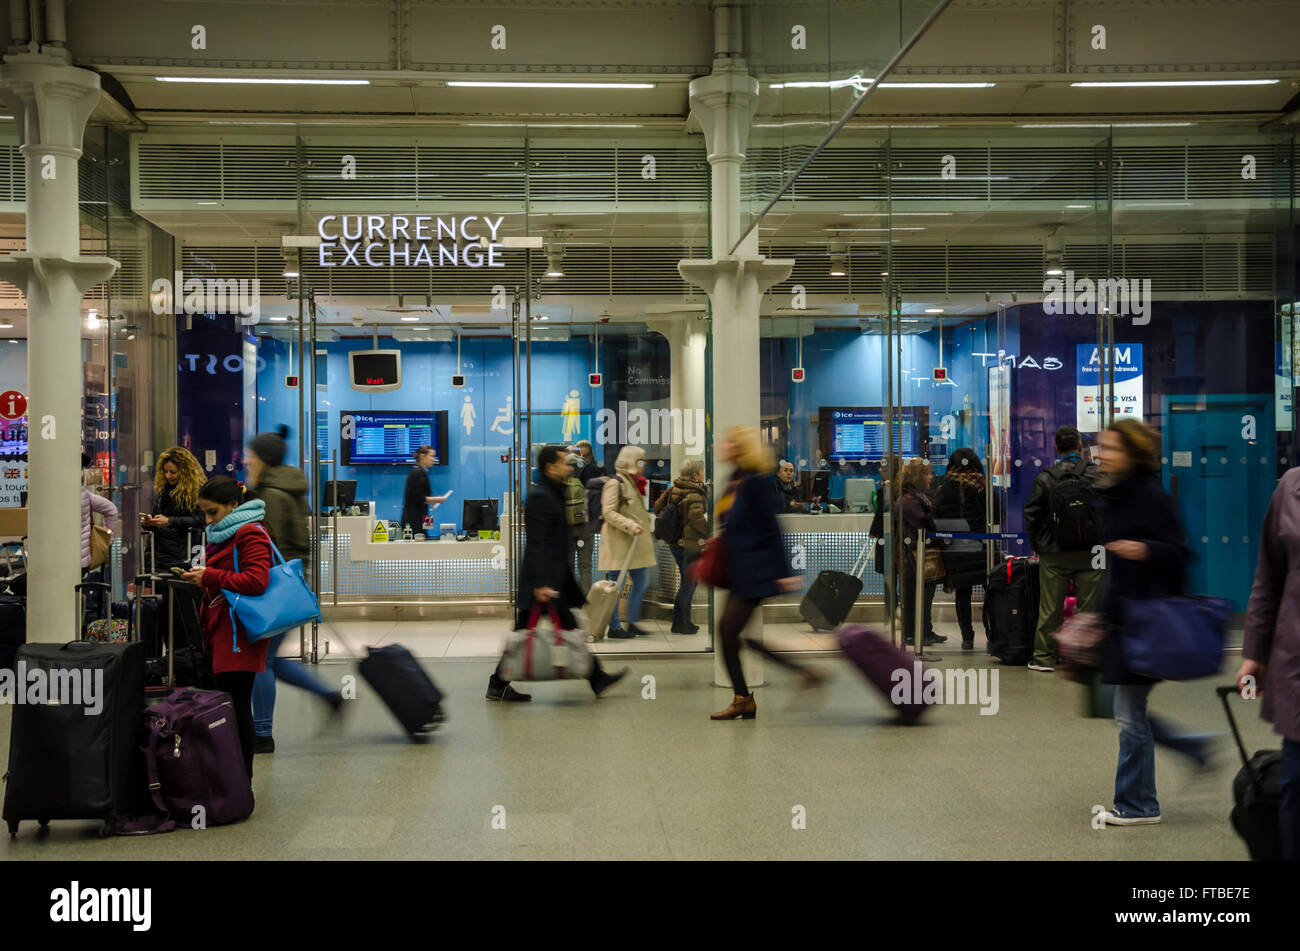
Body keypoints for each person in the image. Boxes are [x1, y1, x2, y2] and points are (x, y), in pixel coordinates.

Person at [1096, 419, 1214, 826]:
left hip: (1147, 620)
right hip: (1126, 618)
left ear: (1131, 453)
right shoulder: (1115, 496)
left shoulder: (1150, 497)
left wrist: (1143, 549)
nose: (1103, 455)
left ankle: (1138, 804)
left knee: (1128, 716)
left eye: (1111, 448)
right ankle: (1192, 748)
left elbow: (1180, 553)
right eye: (1102, 447)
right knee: (1126, 712)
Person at [485, 445, 627, 702]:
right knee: (529, 632)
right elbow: (538, 542)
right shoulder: (541, 497)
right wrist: (541, 584)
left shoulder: (553, 493)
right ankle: (498, 683)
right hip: (544, 581)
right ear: (550, 467)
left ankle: (596, 678)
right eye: (565, 463)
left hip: (552, 578)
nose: (570, 467)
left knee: (552, 631)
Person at [710, 426, 826, 721]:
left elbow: (771, 528)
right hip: (740, 570)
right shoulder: (734, 480)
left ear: (742, 448)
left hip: (756, 571)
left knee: (727, 632)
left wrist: (784, 571)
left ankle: (746, 697)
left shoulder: (754, 482)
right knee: (733, 634)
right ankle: (785, 681)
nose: (723, 445)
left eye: (731, 442)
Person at [245, 427, 342, 754]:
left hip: (272, 586)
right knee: (270, 658)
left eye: (251, 455)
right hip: (287, 585)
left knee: (262, 660)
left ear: (262, 459)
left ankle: (262, 733)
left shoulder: (270, 494)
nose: (246, 460)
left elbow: (267, 545)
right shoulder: (288, 487)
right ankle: (329, 696)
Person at [180, 477, 271, 780]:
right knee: (231, 703)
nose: (207, 520)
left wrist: (209, 577)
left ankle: (241, 780)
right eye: (204, 512)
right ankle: (233, 778)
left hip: (239, 633)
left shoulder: (250, 533)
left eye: (212, 512)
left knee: (237, 705)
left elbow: (257, 581)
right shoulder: (225, 533)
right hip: (223, 629)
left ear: (234, 505)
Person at [1238, 468, 1300, 860]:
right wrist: (1254, 653)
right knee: (1297, 794)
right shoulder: (1291, 488)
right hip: (1296, 669)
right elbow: (1269, 578)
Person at [1023, 425, 1106, 672]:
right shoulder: (1097, 475)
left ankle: (1043, 658)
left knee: (1050, 608)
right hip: (1093, 552)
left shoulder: (1046, 477)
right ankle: (1083, 659)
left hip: (1055, 553)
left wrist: (1040, 546)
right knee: (1089, 609)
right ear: (1081, 447)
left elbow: (1032, 515)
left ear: (1056, 448)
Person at [598, 445, 656, 638]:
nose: (643, 465)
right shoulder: (616, 483)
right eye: (640, 462)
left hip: (633, 545)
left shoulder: (632, 483)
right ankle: (614, 627)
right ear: (630, 462)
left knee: (640, 580)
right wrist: (630, 525)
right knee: (616, 586)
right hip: (619, 543)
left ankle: (632, 621)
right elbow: (608, 512)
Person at [933, 448, 987, 649]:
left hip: (958, 547)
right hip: (982, 544)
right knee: (991, 589)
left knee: (963, 594)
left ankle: (967, 637)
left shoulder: (945, 486)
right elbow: (999, 513)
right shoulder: (982, 485)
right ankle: (992, 632)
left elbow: (937, 516)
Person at [654, 458, 709, 634]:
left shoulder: (673, 488)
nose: (704, 473)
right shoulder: (694, 494)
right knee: (689, 582)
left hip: (674, 542)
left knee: (689, 580)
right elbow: (697, 520)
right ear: (695, 474)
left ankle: (686, 620)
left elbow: (657, 508)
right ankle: (679, 621)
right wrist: (710, 533)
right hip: (691, 543)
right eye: (702, 470)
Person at [897, 458, 943, 648]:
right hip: (913, 555)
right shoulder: (910, 499)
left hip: (917, 553)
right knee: (917, 596)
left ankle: (924, 630)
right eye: (926, 473)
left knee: (924, 594)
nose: (930, 477)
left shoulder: (916, 496)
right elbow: (924, 521)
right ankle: (915, 633)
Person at [141, 446, 206, 570]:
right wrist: (149, 522)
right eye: (165, 471)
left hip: (185, 553)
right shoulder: (163, 490)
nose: (168, 476)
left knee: (182, 587)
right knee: (162, 587)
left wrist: (170, 521)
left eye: (173, 472)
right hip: (161, 553)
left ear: (185, 471)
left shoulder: (198, 492)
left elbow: (202, 519)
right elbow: (159, 517)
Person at [401, 444, 450, 538]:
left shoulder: (419, 471)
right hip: (414, 522)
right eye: (431, 456)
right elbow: (419, 498)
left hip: (417, 520)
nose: (433, 459)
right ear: (423, 456)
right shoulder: (418, 473)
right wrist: (438, 499)